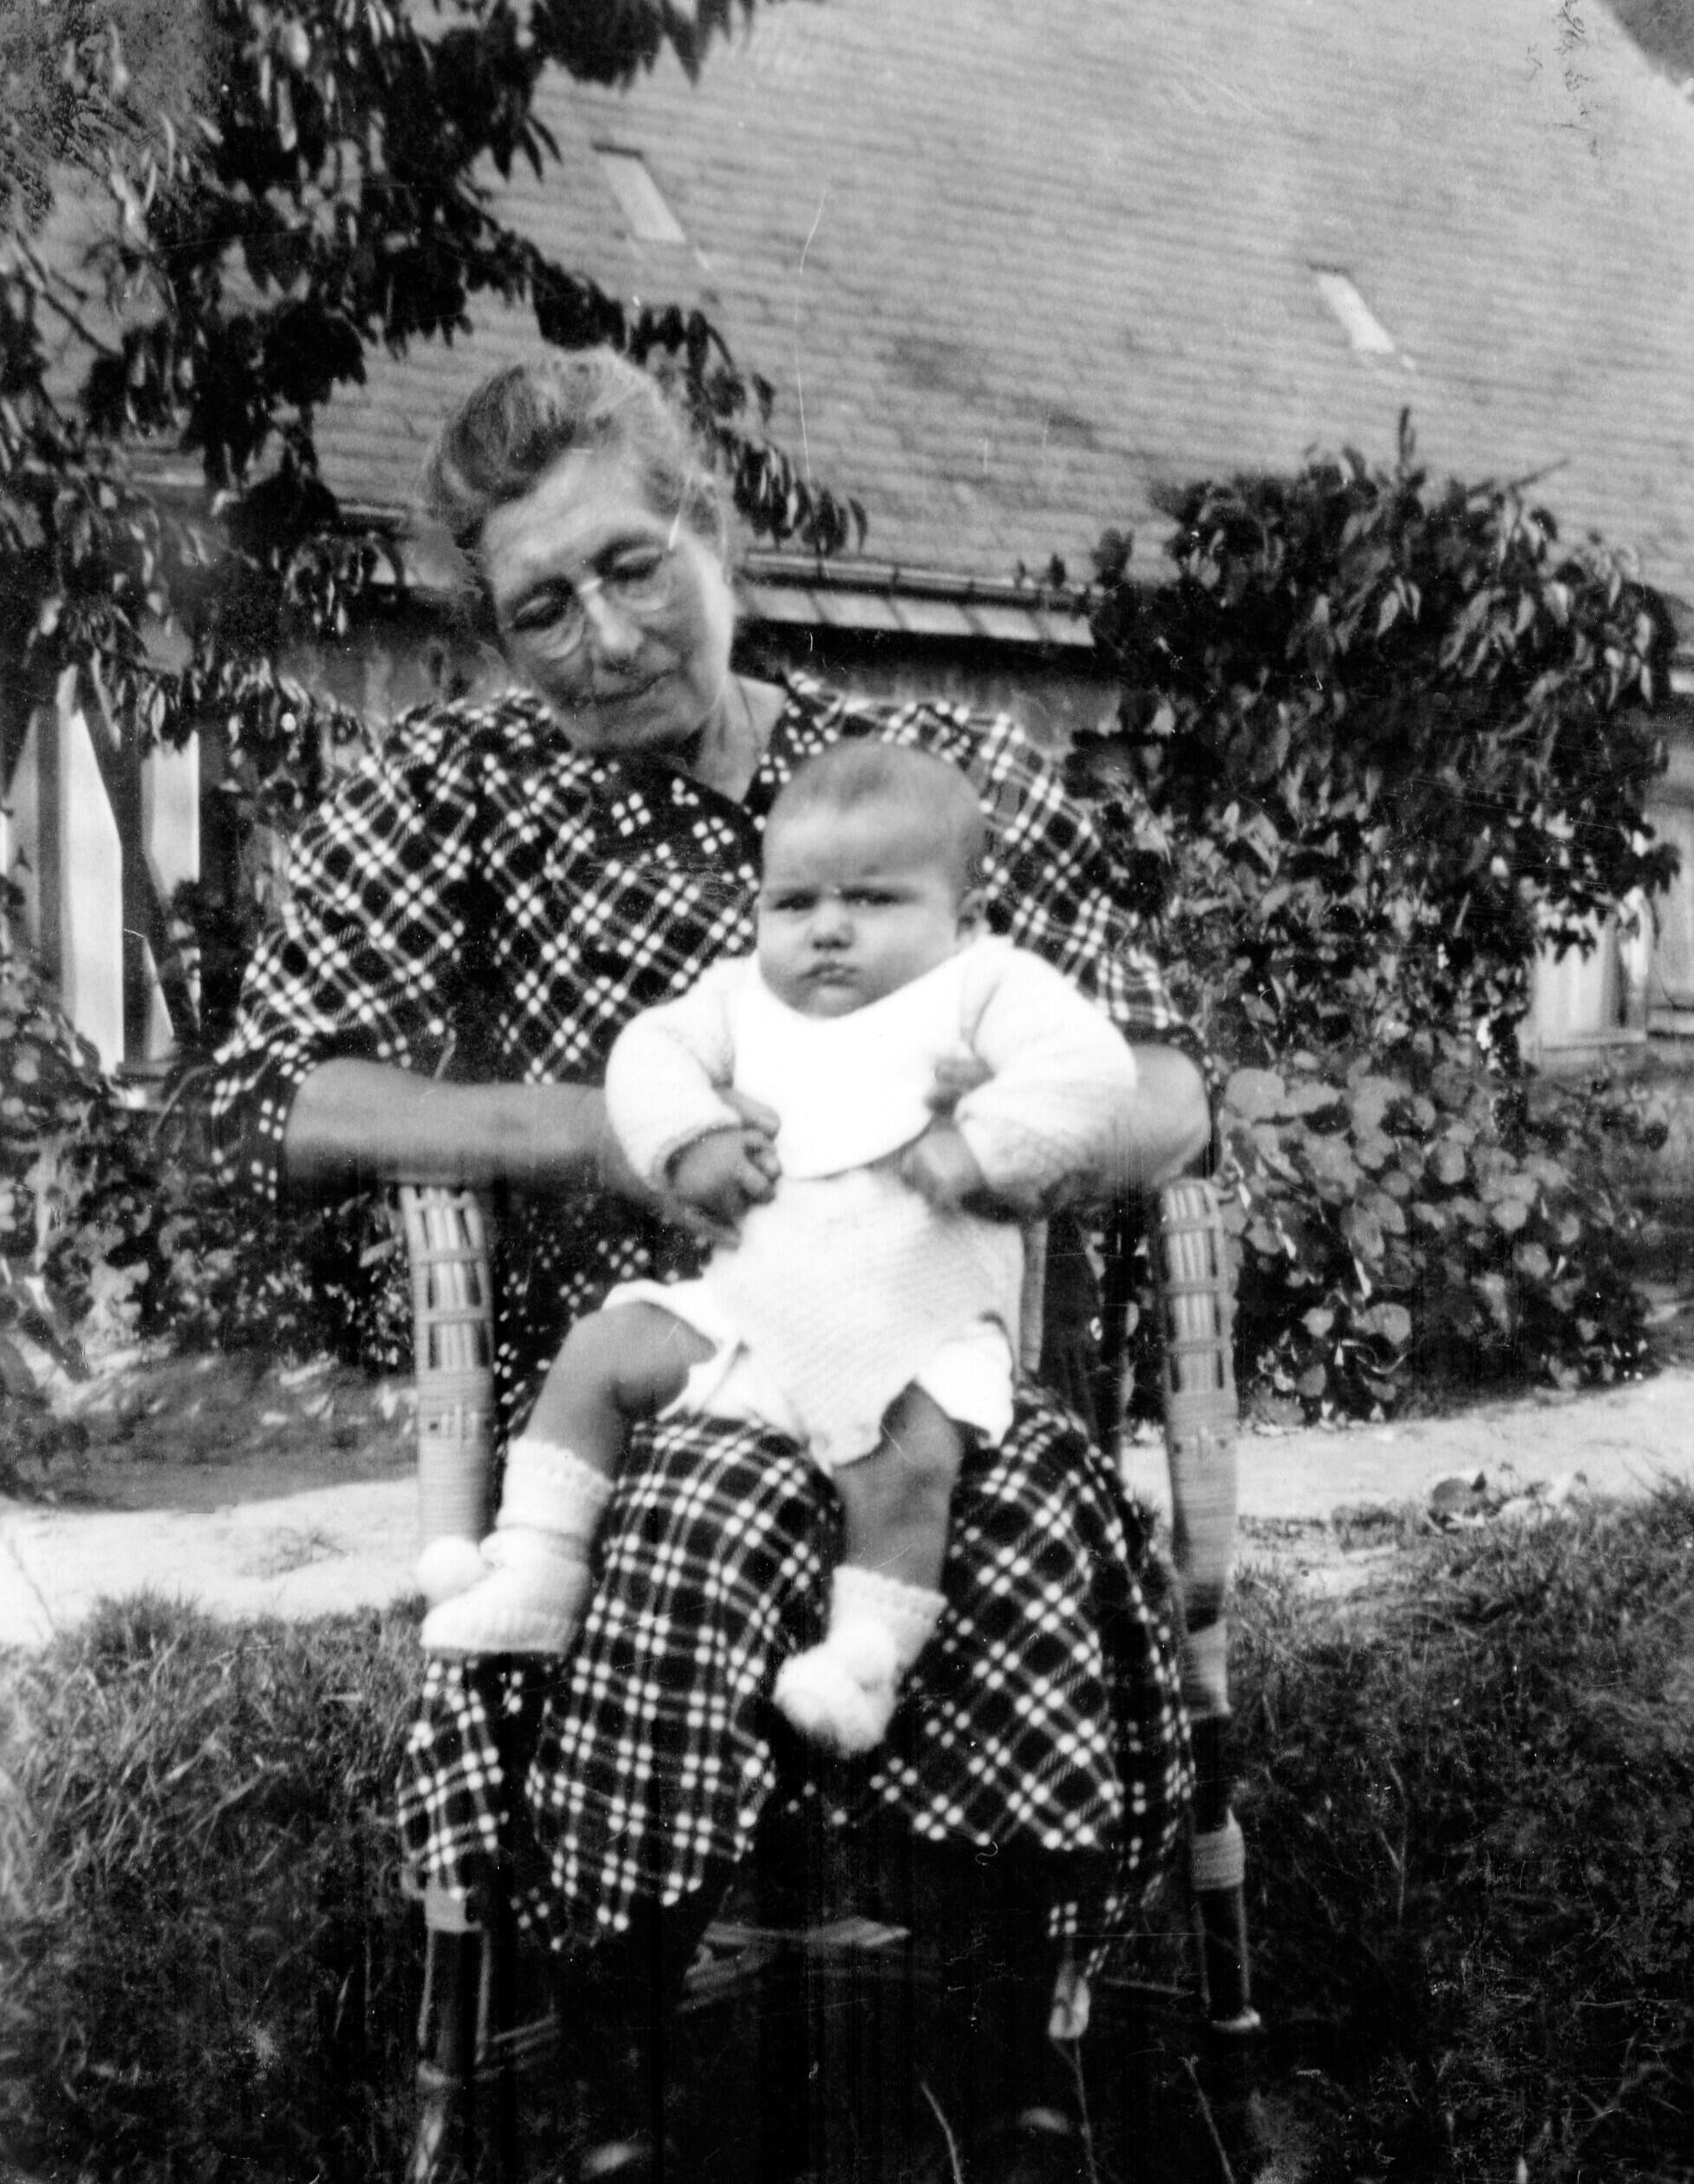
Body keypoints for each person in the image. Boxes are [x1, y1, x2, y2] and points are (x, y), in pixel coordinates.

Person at [207, 347, 1210, 2061]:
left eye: (632, 567)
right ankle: (620, 2058)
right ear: (490, 630)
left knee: (1017, 1486)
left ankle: (1013, 2058)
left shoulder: (934, 776)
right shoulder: (453, 791)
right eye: (540, 610)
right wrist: (598, 1131)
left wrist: (987, 1143)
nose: (602, 639)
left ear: (712, 529)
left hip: (926, 1352)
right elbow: (267, 1099)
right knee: (691, 1511)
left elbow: (1172, 1086)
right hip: (655, 1376)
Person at [417, 739, 1139, 1766]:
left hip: (921, 1330)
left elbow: (1091, 1068)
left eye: (875, 899)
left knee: (910, 1459)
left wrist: (984, 1143)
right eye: (793, 902)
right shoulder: (737, 998)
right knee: (602, 1350)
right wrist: (691, 1139)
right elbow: (646, 1054)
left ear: (964, 916)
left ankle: (865, 1658)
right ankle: (537, 1562)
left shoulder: (984, 986)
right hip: (753, 1321)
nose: (828, 928)